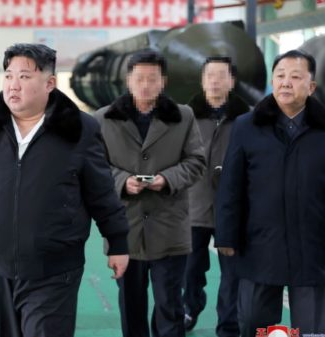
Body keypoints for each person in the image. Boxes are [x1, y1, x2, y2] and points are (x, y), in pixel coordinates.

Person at [0, 43, 130, 337]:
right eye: (8, 76)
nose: (13, 85)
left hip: (55, 268)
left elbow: (101, 191)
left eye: (25, 77)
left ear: (50, 83)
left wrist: (117, 241)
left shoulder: (79, 129)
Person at [94, 49, 205, 337]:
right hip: (125, 230)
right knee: (131, 306)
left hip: (169, 228)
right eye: (139, 78)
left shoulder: (183, 116)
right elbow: (94, 166)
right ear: (128, 80)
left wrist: (166, 179)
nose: (145, 85)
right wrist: (121, 181)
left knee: (170, 305)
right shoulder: (104, 119)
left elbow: (196, 161)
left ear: (163, 82)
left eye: (152, 79)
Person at [215, 49, 325, 336]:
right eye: (280, 76)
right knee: (254, 324)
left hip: (314, 249)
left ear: (311, 87)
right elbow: (231, 186)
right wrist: (226, 236)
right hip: (259, 246)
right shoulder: (247, 126)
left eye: (295, 76)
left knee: (313, 329)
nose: (285, 82)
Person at [182, 56, 249, 336]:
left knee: (233, 274)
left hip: (233, 211)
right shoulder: (184, 116)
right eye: (210, 74)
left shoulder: (248, 119)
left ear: (231, 81)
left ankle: (228, 326)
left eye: (222, 75)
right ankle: (189, 309)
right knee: (190, 270)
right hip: (193, 208)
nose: (215, 80)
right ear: (202, 79)